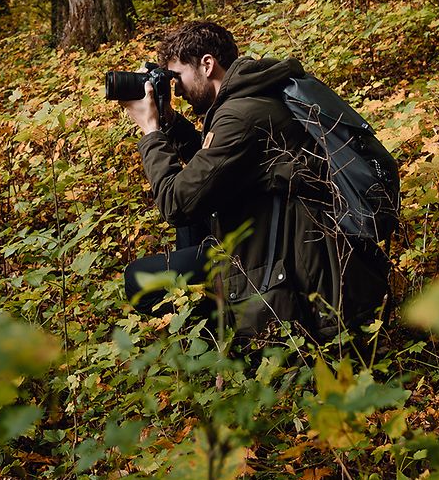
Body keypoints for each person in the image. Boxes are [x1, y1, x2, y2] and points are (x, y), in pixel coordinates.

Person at [117, 21, 389, 344]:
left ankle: (222, 337)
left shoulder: (240, 116)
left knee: (138, 279)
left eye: (178, 77)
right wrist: (171, 122)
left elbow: (176, 202)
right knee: (196, 212)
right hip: (277, 235)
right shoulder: (252, 94)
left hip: (291, 262)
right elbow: (213, 165)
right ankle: (217, 321)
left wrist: (151, 131)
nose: (176, 90)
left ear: (207, 64)